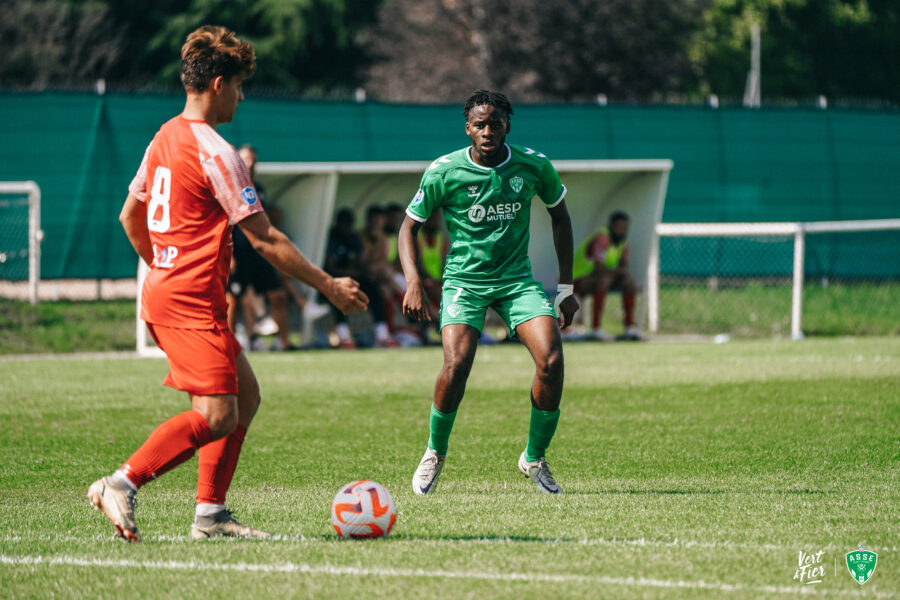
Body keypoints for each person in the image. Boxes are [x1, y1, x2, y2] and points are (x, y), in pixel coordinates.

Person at [87, 25, 367, 542]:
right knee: (217, 415)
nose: (242, 95)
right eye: (239, 85)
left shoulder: (164, 135)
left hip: (175, 293)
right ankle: (121, 482)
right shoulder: (217, 152)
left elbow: (130, 216)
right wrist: (329, 285)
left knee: (247, 396)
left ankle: (210, 516)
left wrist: (162, 262)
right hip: (188, 301)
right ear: (218, 84)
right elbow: (265, 240)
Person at [399, 90, 579, 495]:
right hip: (465, 281)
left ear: (507, 127)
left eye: (495, 123)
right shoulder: (444, 171)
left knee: (551, 359)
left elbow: (560, 217)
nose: (487, 130)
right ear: (468, 128)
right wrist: (413, 281)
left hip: (517, 281)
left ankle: (534, 458)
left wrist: (565, 288)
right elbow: (408, 227)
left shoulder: (533, 166)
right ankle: (434, 451)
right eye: (479, 124)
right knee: (457, 364)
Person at [226, 144, 293, 351]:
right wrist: (228, 255)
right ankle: (228, 347)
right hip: (239, 252)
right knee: (232, 300)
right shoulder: (229, 187)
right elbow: (225, 222)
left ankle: (284, 343)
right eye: (246, 160)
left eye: (254, 161)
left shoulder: (259, 188)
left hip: (261, 252)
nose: (251, 164)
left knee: (278, 295)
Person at [321, 208, 396, 348]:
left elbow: (363, 263)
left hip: (353, 278)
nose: (346, 228)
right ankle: (343, 336)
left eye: (348, 225)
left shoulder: (354, 238)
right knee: (338, 292)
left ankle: (382, 334)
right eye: (343, 224)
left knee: (373, 288)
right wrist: (347, 272)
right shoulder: (330, 238)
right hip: (332, 280)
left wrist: (368, 270)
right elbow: (329, 266)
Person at [572, 210, 641, 341]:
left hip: (599, 278)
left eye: (625, 228)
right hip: (576, 279)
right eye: (619, 227)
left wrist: (619, 272)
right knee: (603, 280)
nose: (622, 231)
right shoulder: (602, 238)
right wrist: (618, 272)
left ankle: (630, 328)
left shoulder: (622, 243)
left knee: (629, 282)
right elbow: (599, 269)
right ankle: (596, 328)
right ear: (611, 226)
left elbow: (624, 267)